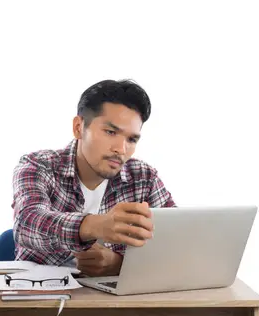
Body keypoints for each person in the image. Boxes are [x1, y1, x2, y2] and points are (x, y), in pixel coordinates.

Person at [11, 79, 176, 276]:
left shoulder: (144, 177)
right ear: (79, 127)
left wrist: (118, 264)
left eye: (131, 139)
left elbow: (175, 242)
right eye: (110, 132)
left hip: (114, 303)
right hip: (39, 297)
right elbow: (27, 223)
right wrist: (95, 226)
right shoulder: (38, 165)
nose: (121, 149)